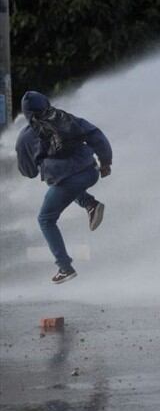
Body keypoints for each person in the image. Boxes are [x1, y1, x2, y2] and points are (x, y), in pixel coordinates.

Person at [15, 91, 112, 283]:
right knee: (64, 184)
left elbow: (29, 172)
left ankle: (65, 267)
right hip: (91, 172)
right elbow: (96, 134)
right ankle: (90, 204)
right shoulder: (66, 118)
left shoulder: (25, 138)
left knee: (45, 219)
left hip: (67, 182)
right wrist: (106, 162)